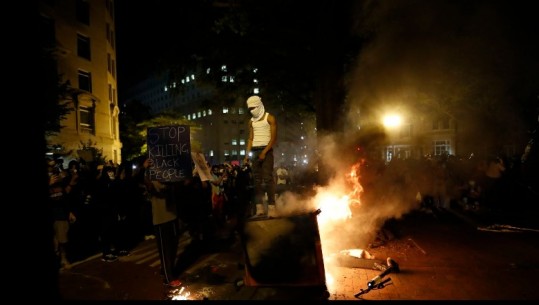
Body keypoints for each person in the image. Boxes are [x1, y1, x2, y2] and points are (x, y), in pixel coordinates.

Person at [143, 158, 182, 288]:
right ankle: (167, 277)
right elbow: (160, 188)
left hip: (173, 215)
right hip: (161, 218)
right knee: (165, 250)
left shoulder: (169, 173)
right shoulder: (152, 175)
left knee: (173, 247)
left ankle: (166, 270)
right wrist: (146, 169)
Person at [243, 95, 277, 217]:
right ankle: (260, 208)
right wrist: (247, 155)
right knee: (256, 180)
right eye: (250, 108)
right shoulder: (251, 121)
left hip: (266, 150)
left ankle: (272, 207)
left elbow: (273, 138)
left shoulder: (270, 118)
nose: (252, 110)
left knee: (268, 178)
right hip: (255, 150)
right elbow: (250, 138)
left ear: (259, 105)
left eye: (254, 107)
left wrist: (264, 152)